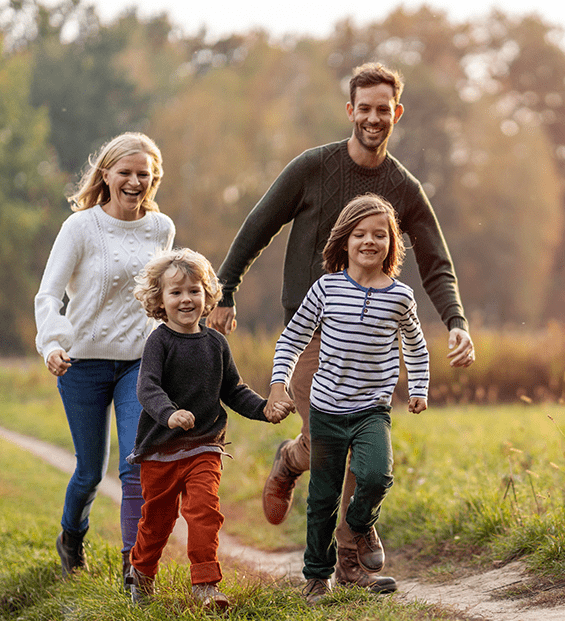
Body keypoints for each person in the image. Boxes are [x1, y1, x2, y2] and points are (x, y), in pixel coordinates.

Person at [206, 62, 475, 591]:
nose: (374, 119)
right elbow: (259, 224)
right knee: (330, 440)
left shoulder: (403, 186)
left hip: (373, 337)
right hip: (313, 329)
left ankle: (348, 559)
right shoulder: (312, 167)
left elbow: (435, 261)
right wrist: (226, 288)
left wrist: (456, 321)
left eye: (384, 110)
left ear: (396, 114)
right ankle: (294, 464)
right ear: (351, 110)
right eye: (365, 109)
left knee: (362, 445)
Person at [267, 194, 429, 604]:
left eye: (380, 235)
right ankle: (318, 577)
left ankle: (359, 527)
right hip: (326, 410)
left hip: (372, 409)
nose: (369, 241)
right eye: (360, 234)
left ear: (392, 243)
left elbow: (416, 346)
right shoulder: (327, 288)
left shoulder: (400, 296)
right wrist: (278, 383)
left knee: (377, 475)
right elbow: (293, 338)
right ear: (344, 241)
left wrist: (419, 388)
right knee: (323, 496)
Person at [34, 132, 176, 585]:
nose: (134, 182)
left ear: (153, 179)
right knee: (90, 472)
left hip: (139, 361)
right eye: (126, 172)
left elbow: (163, 292)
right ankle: (71, 537)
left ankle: (134, 568)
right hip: (83, 363)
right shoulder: (80, 227)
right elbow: (49, 293)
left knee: (135, 464)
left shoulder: (161, 228)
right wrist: (53, 344)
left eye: (143, 174)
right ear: (107, 175)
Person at [125, 248, 292, 610]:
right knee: (158, 522)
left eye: (194, 290)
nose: (186, 299)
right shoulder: (159, 342)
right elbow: (147, 388)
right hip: (161, 450)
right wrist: (169, 414)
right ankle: (140, 572)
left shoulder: (216, 343)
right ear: (159, 300)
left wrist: (265, 409)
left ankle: (205, 585)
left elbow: (233, 390)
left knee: (205, 510)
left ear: (207, 296)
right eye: (176, 292)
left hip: (204, 447)